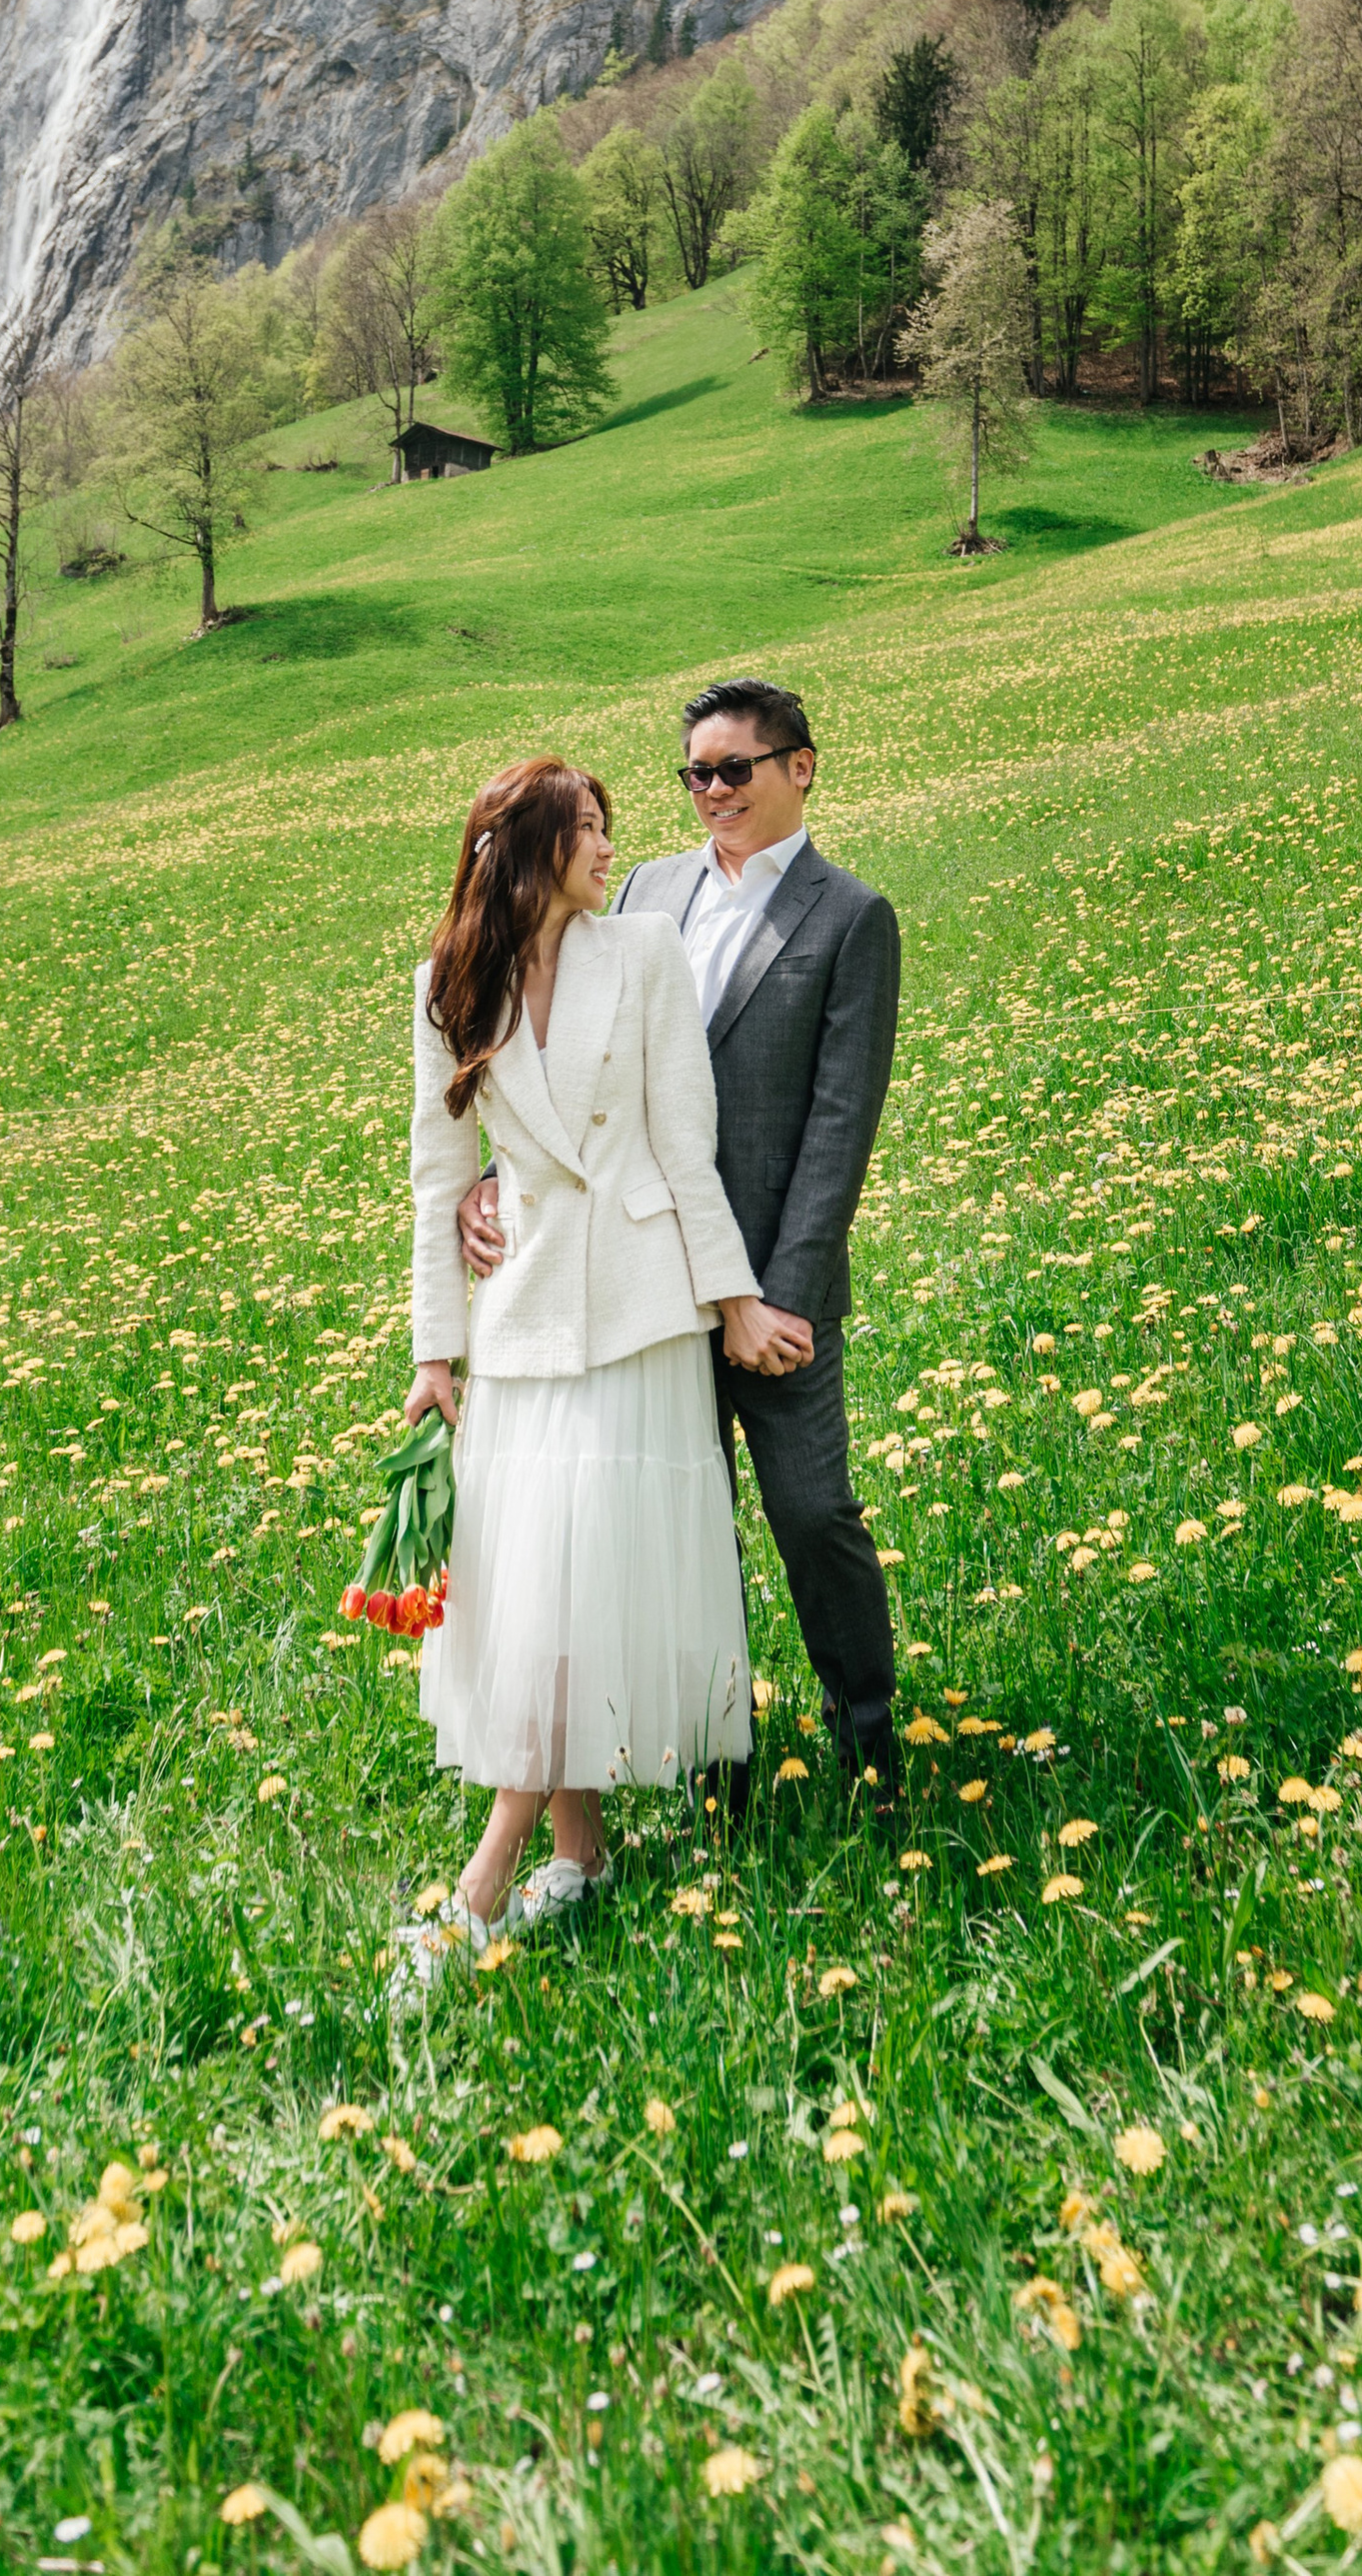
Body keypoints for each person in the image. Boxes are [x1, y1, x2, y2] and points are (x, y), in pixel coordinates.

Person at [459, 677, 902, 1808]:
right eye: (694, 774)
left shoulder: (851, 917)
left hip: (770, 1288)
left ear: (799, 768)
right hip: (639, 1290)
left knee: (811, 1514)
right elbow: (544, 1050)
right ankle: (712, 1765)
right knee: (675, 1532)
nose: (712, 793)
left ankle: (867, 1739)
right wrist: (489, 1182)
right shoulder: (644, 892)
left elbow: (839, 1124)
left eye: (734, 770)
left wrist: (776, 1293)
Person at [404, 754, 756, 1956]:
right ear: (537, 844)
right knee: (535, 1582)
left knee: (582, 1579)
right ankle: (580, 1853)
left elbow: (684, 1144)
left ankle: (481, 1889)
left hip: (644, 1312)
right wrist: (434, 1353)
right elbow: (439, 1180)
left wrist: (736, 1301)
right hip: (522, 1322)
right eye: (594, 829)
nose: (614, 849)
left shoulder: (646, 953)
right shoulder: (447, 984)